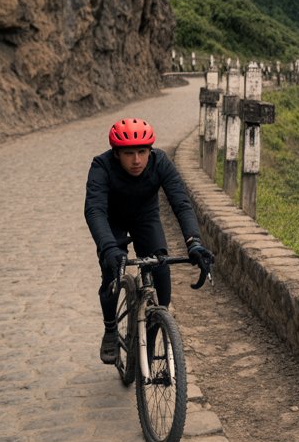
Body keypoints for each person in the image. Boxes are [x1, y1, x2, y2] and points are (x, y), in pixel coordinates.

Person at [84, 117, 213, 364]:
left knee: (161, 274)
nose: (136, 160)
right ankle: (111, 329)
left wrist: (193, 241)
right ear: (116, 153)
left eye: (142, 152)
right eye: (129, 153)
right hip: (113, 220)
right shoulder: (101, 167)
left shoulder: (160, 162)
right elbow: (94, 210)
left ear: (150, 150)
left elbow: (181, 202)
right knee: (111, 274)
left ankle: (152, 335)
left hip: (145, 217)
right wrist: (109, 247)